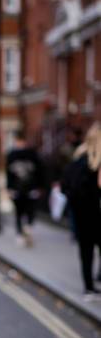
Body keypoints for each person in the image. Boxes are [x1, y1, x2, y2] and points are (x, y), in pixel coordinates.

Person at [61, 122, 101, 301]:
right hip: (96, 215)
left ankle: (89, 288)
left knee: (86, 253)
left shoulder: (77, 160)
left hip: (82, 217)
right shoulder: (95, 165)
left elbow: (65, 187)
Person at [6, 131, 44, 247]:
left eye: (21, 141)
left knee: (30, 210)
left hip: (31, 188)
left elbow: (40, 172)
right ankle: (20, 233)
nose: (19, 144)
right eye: (18, 142)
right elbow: (9, 174)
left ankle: (28, 229)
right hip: (17, 189)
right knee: (18, 212)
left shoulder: (33, 155)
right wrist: (9, 188)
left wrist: (39, 187)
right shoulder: (11, 155)